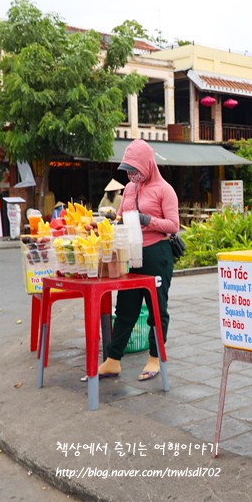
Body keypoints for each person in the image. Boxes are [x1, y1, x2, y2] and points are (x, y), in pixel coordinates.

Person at [95, 139, 180, 381]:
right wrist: (103, 224)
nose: (132, 175)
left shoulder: (165, 190)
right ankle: (113, 360)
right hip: (131, 255)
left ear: (148, 165)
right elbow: (120, 219)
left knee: (156, 308)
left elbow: (174, 226)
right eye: (128, 170)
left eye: (136, 170)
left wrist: (146, 220)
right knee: (125, 307)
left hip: (157, 254)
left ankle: (155, 357)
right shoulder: (129, 190)